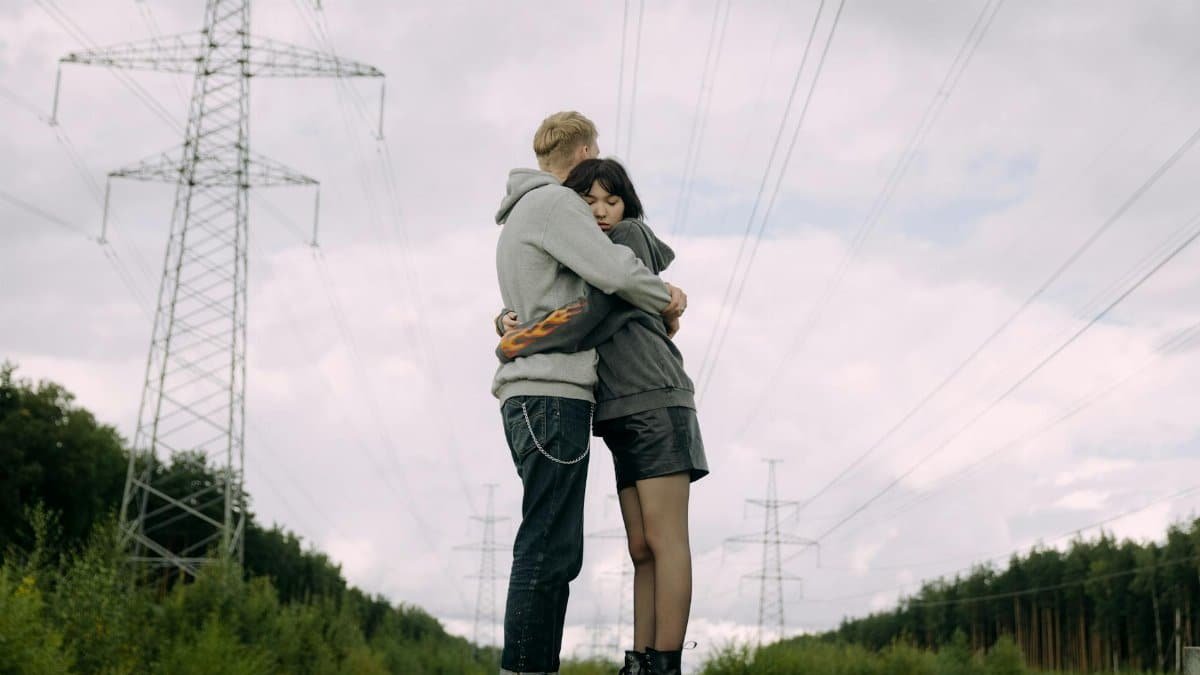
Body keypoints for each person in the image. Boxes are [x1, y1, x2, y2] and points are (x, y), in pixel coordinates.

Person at [496, 158, 708, 675]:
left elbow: (588, 316)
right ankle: (638, 660)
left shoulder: (629, 240)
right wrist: (505, 315)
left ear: (626, 204)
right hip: (619, 412)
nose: (600, 211)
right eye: (589, 201)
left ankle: (665, 663)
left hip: (656, 399)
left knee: (665, 540)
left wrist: (514, 342)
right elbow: (558, 297)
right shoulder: (590, 253)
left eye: (610, 200)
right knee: (640, 547)